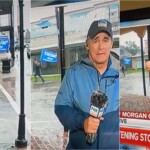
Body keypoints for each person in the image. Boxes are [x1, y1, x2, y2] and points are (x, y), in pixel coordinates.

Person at [55, 19, 119, 149]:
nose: (101, 46)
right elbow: (61, 108)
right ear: (87, 44)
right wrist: (82, 122)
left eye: (106, 40)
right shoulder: (73, 74)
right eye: (95, 40)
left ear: (111, 43)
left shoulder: (121, 74)